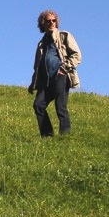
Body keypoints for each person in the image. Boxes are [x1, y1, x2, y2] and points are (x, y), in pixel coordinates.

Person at [28, 9, 82, 137]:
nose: (51, 23)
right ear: (43, 24)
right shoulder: (41, 44)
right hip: (46, 81)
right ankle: (47, 136)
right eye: (48, 21)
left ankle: (65, 136)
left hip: (61, 77)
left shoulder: (64, 35)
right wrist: (33, 83)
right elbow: (37, 66)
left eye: (54, 20)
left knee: (60, 107)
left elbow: (77, 55)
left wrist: (64, 69)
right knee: (38, 105)